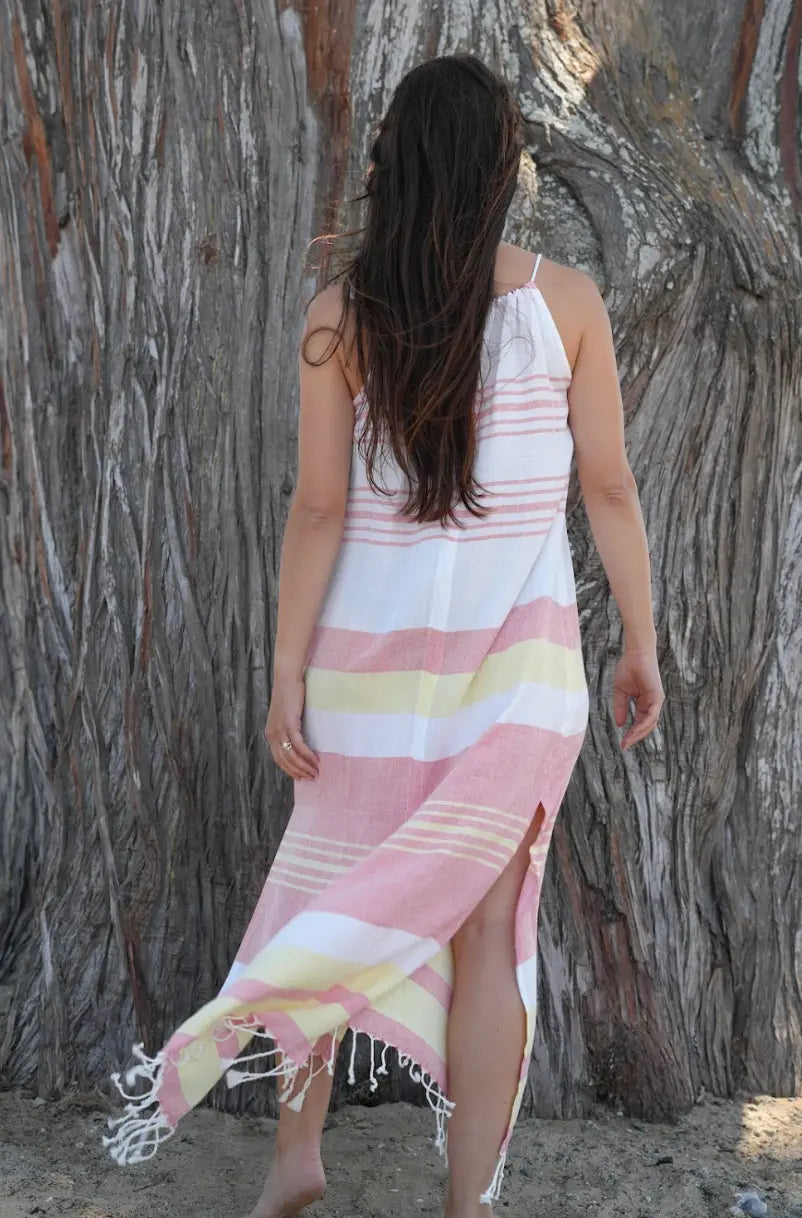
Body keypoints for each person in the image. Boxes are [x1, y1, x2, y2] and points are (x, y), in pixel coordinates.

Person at [103, 52, 664, 1218]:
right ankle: (467, 1207)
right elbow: (607, 490)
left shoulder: (339, 317)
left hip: (364, 671)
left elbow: (316, 510)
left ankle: (294, 1162)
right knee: (484, 933)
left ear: (393, 165)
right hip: (519, 682)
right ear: (504, 173)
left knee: (326, 894)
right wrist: (639, 643)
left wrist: (285, 676)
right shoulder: (565, 305)